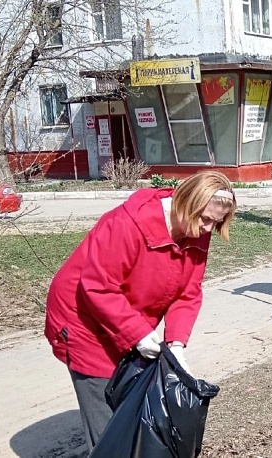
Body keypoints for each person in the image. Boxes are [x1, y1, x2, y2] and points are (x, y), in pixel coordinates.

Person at [44, 171, 236, 451]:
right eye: (206, 219)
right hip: (84, 321)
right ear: (184, 202)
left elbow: (187, 292)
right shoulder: (126, 225)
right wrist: (138, 334)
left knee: (133, 406)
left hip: (128, 318)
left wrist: (177, 344)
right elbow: (98, 286)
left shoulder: (195, 228)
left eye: (217, 223)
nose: (208, 229)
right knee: (110, 425)